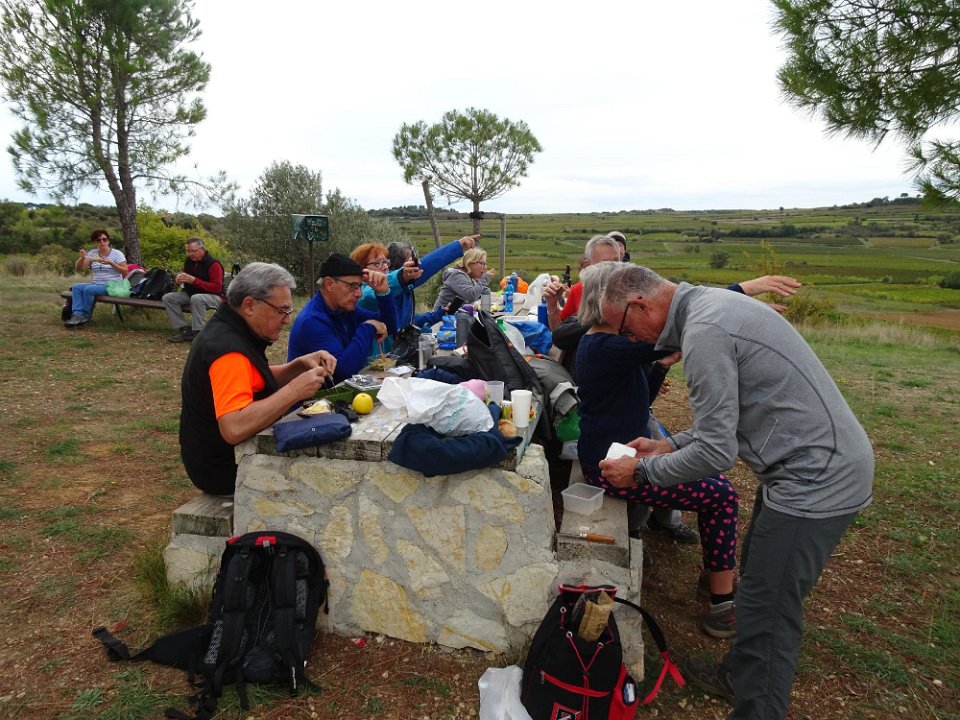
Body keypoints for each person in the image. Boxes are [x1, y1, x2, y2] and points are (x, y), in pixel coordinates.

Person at [597, 264, 874, 720]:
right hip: (800, 469)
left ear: (641, 305)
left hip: (816, 479)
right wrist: (668, 444)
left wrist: (642, 472)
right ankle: (738, 676)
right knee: (757, 577)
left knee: (769, 610)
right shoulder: (710, 307)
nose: (632, 341)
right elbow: (728, 418)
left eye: (627, 330)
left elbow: (716, 453)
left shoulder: (705, 332)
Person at [575, 262, 740, 636]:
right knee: (722, 497)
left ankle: (716, 576)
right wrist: (742, 291)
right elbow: (687, 320)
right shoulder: (605, 346)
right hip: (612, 466)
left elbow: (641, 400)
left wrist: (661, 366)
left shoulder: (613, 345)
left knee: (714, 481)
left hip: (625, 453)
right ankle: (721, 603)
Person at [179, 262, 336, 495]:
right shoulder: (228, 351)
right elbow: (233, 428)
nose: (286, 320)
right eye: (281, 311)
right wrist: (294, 391)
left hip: (218, 462)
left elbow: (252, 379)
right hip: (226, 470)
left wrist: (298, 366)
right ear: (249, 305)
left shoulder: (230, 329)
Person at [287, 253, 397, 383]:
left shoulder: (344, 309)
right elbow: (342, 370)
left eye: (359, 286)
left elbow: (388, 327)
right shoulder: (312, 321)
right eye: (352, 286)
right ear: (329, 284)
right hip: (312, 396)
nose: (359, 293)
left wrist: (383, 292)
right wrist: (369, 327)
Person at [373, 235, 480, 328]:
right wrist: (458, 246)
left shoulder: (402, 288)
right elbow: (427, 267)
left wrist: (437, 315)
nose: (417, 263)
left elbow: (407, 322)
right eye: (412, 261)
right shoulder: (380, 288)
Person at [162, 237, 225, 343]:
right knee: (168, 298)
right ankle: (185, 330)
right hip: (192, 294)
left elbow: (217, 288)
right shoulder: (189, 262)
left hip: (214, 296)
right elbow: (184, 279)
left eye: (193, 251)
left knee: (196, 298)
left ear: (202, 249)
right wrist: (179, 280)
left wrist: (194, 281)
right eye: (188, 251)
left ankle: (198, 334)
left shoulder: (214, 264)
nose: (190, 254)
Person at [64, 229, 128, 327]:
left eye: (104, 239)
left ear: (108, 240)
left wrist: (110, 263)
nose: (102, 242)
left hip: (113, 285)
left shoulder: (117, 254)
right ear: (95, 243)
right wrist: (82, 258)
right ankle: (77, 315)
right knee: (76, 287)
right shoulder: (93, 253)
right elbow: (80, 268)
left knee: (89, 289)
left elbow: (125, 271)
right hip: (97, 284)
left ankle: (85, 316)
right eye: (99, 240)